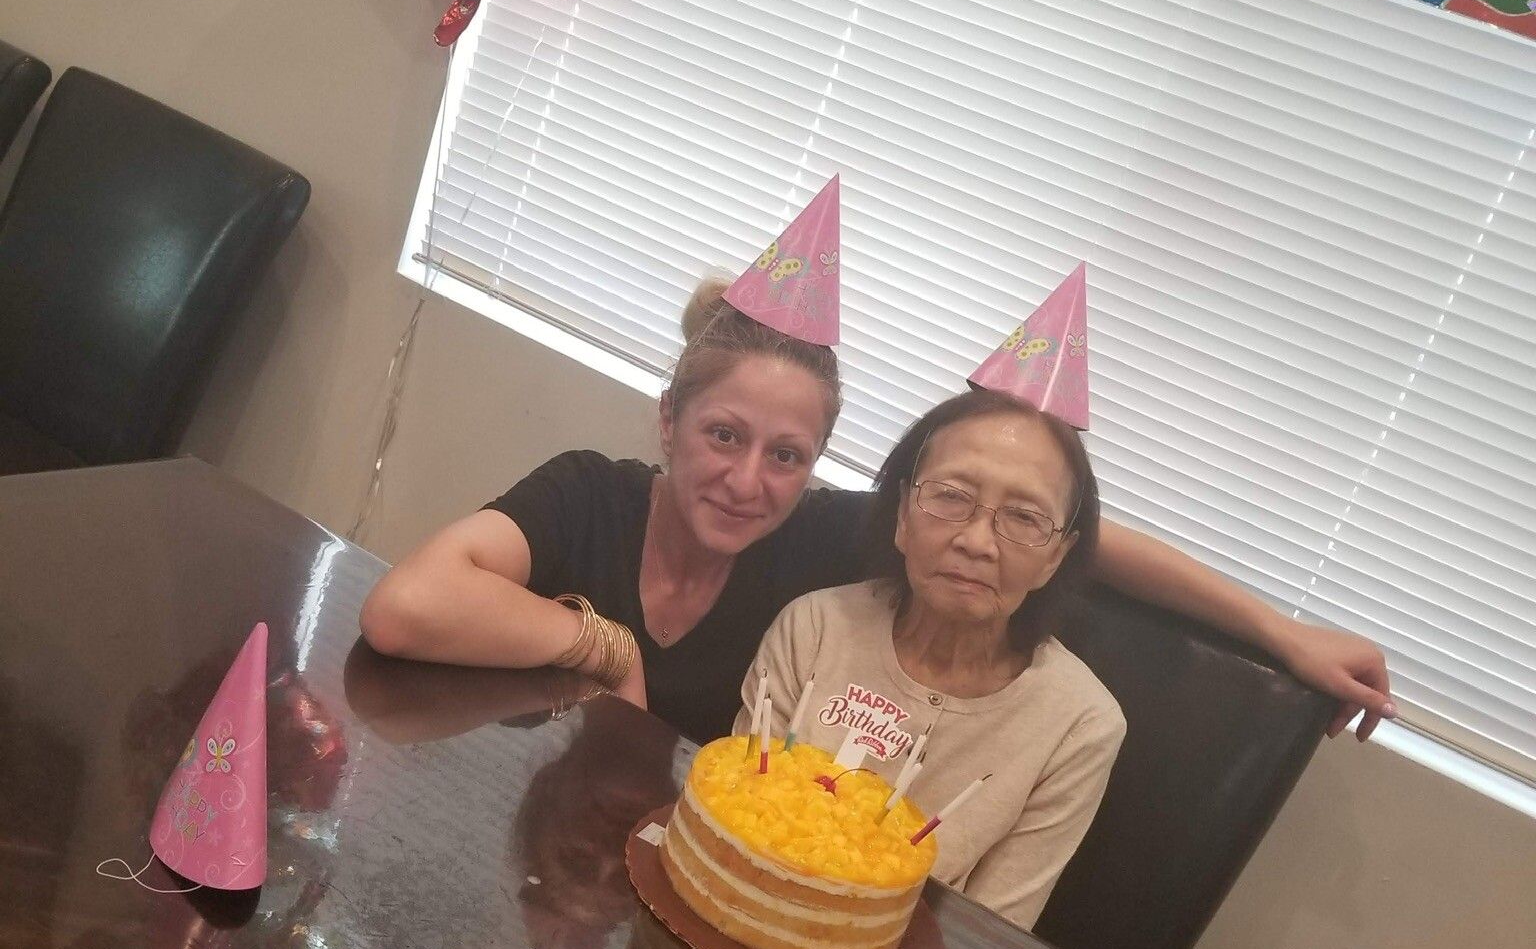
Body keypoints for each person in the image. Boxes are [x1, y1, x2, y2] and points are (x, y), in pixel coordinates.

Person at [360, 282, 1396, 745]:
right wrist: (601, 640)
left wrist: (1279, 630)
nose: (746, 481)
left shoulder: (816, 537)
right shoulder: (588, 492)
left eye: (787, 454)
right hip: (535, 819)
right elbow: (406, 607)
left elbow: (1068, 530)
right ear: (670, 418)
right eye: (723, 435)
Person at [737, 389, 1122, 931]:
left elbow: (989, 937)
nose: (977, 542)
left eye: (1024, 518)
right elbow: (739, 819)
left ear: (1055, 557)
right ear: (901, 514)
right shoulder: (815, 630)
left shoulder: (1079, 726)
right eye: (950, 496)